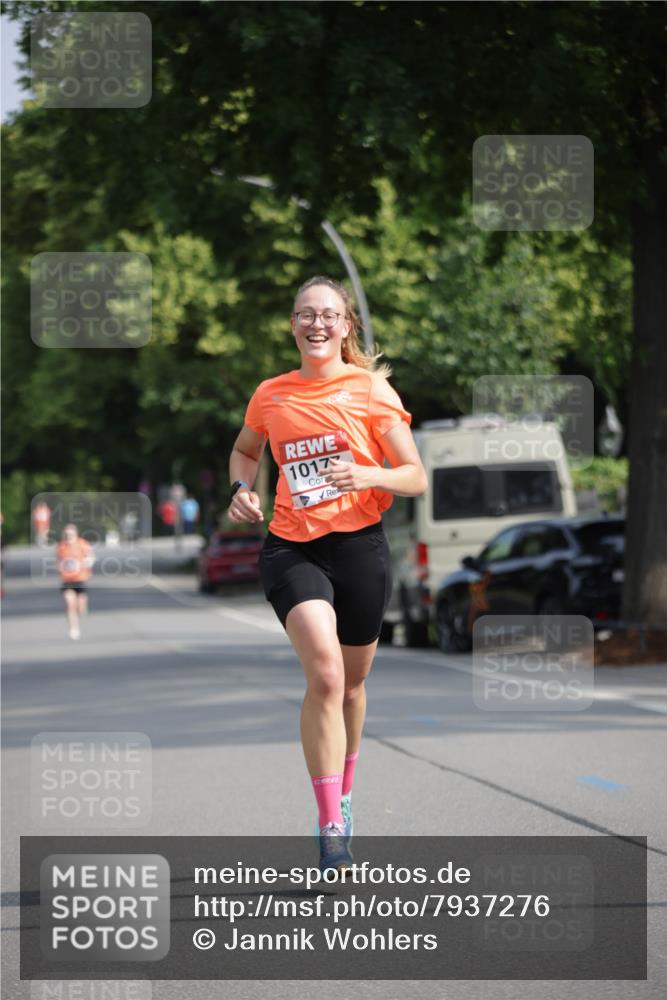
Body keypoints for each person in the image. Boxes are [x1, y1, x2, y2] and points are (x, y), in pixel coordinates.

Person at [228, 275, 427, 875]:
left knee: (354, 687)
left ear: (346, 327)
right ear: (293, 324)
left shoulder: (371, 391)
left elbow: (414, 474)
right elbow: (246, 451)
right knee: (325, 672)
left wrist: (369, 475)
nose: (317, 324)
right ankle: (329, 824)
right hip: (293, 547)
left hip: (360, 546)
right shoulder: (272, 394)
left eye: (328, 315)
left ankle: (344, 793)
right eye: (305, 315)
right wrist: (242, 488)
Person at [55, 524, 95, 640]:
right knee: (69, 603)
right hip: (67, 580)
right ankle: (74, 628)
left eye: (71, 534)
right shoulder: (61, 546)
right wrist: (59, 567)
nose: (68, 536)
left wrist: (88, 562)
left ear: (75, 534)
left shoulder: (82, 544)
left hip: (80, 578)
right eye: (67, 534)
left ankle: (82, 607)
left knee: (80, 607)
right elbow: (57, 560)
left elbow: (91, 557)